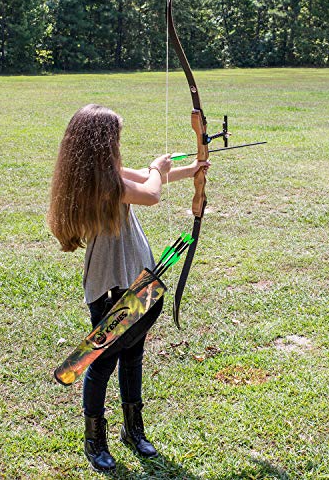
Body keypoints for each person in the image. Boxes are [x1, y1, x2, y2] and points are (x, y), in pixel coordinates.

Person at [48, 104, 209, 472]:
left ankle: (133, 431)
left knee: (133, 353)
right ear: (102, 143)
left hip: (137, 273)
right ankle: (95, 441)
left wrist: (194, 170)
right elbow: (151, 192)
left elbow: (149, 180)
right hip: (111, 284)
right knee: (102, 361)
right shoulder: (101, 182)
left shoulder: (103, 172)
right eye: (115, 138)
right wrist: (158, 167)